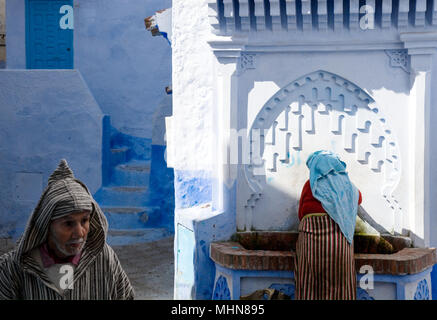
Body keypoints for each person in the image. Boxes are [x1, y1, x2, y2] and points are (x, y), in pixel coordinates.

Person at [0, 159, 134, 300]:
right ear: (47, 224)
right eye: (68, 224)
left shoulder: (104, 258)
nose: (80, 233)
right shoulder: (13, 268)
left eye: (84, 220)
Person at [294, 150, 362, 300]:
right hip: (338, 243)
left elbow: (301, 214)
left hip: (310, 242)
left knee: (309, 284)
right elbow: (357, 201)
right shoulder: (347, 185)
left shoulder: (310, 185)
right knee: (340, 287)